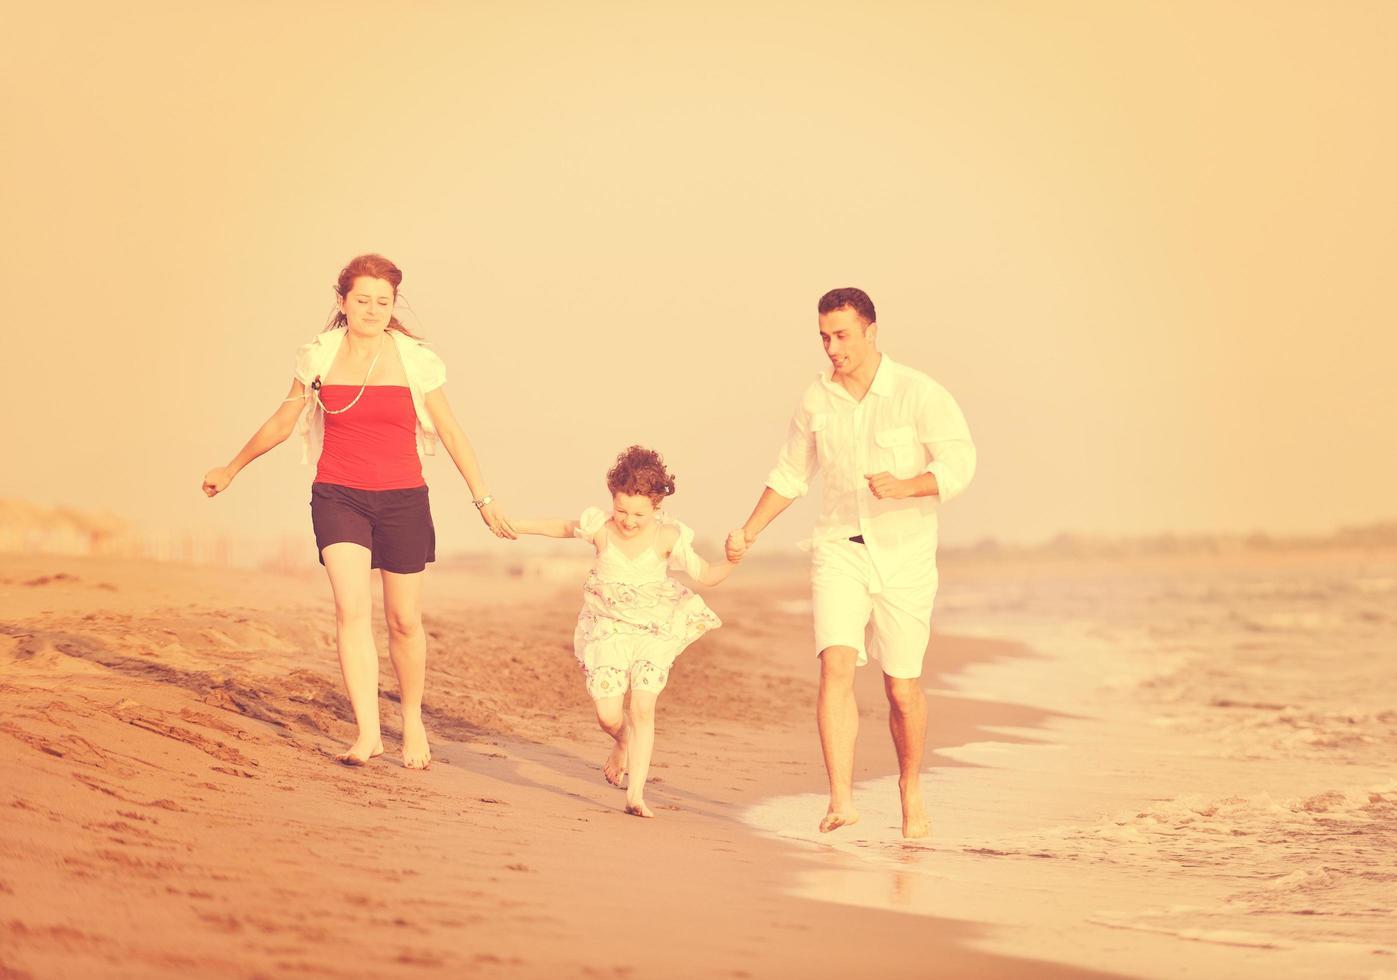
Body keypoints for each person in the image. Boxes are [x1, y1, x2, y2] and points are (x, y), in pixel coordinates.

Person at [201, 253, 515, 769]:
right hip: (338, 495)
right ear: (343, 302)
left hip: (403, 499)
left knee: (404, 620)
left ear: (393, 305)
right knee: (351, 611)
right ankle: (368, 730)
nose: (372, 309)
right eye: (362, 299)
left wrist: (483, 498)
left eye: (382, 301)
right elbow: (283, 422)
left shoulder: (414, 360)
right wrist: (232, 468)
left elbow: (453, 432)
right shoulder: (319, 357)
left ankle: (411, 719)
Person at [725, 287, 975, 838]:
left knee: (901, 690)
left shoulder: (917, 393)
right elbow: (791, 474)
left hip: (907, 556)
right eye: (823, 337)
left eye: (841, 336)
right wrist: (748, 530)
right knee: (835, 664)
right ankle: (841, 798)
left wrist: (908, 486)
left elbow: (960, 462)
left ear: (870, 331)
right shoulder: (815, 401)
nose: (831, 348)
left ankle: (910, 785)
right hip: (839, 548)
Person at [511, 446, 736, 818]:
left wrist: (733, 558)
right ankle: (622, 740)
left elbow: (707, 576)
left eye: (638, 514)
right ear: (612, 502)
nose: (628, 521)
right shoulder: (601, 530)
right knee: (608, 714)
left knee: (642, 706)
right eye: (621, 510)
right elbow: (561, 527)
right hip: (609, 630)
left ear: (656, 507)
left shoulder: (668, 538)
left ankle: (636, 795)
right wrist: (514, 525)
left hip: (653, 630)